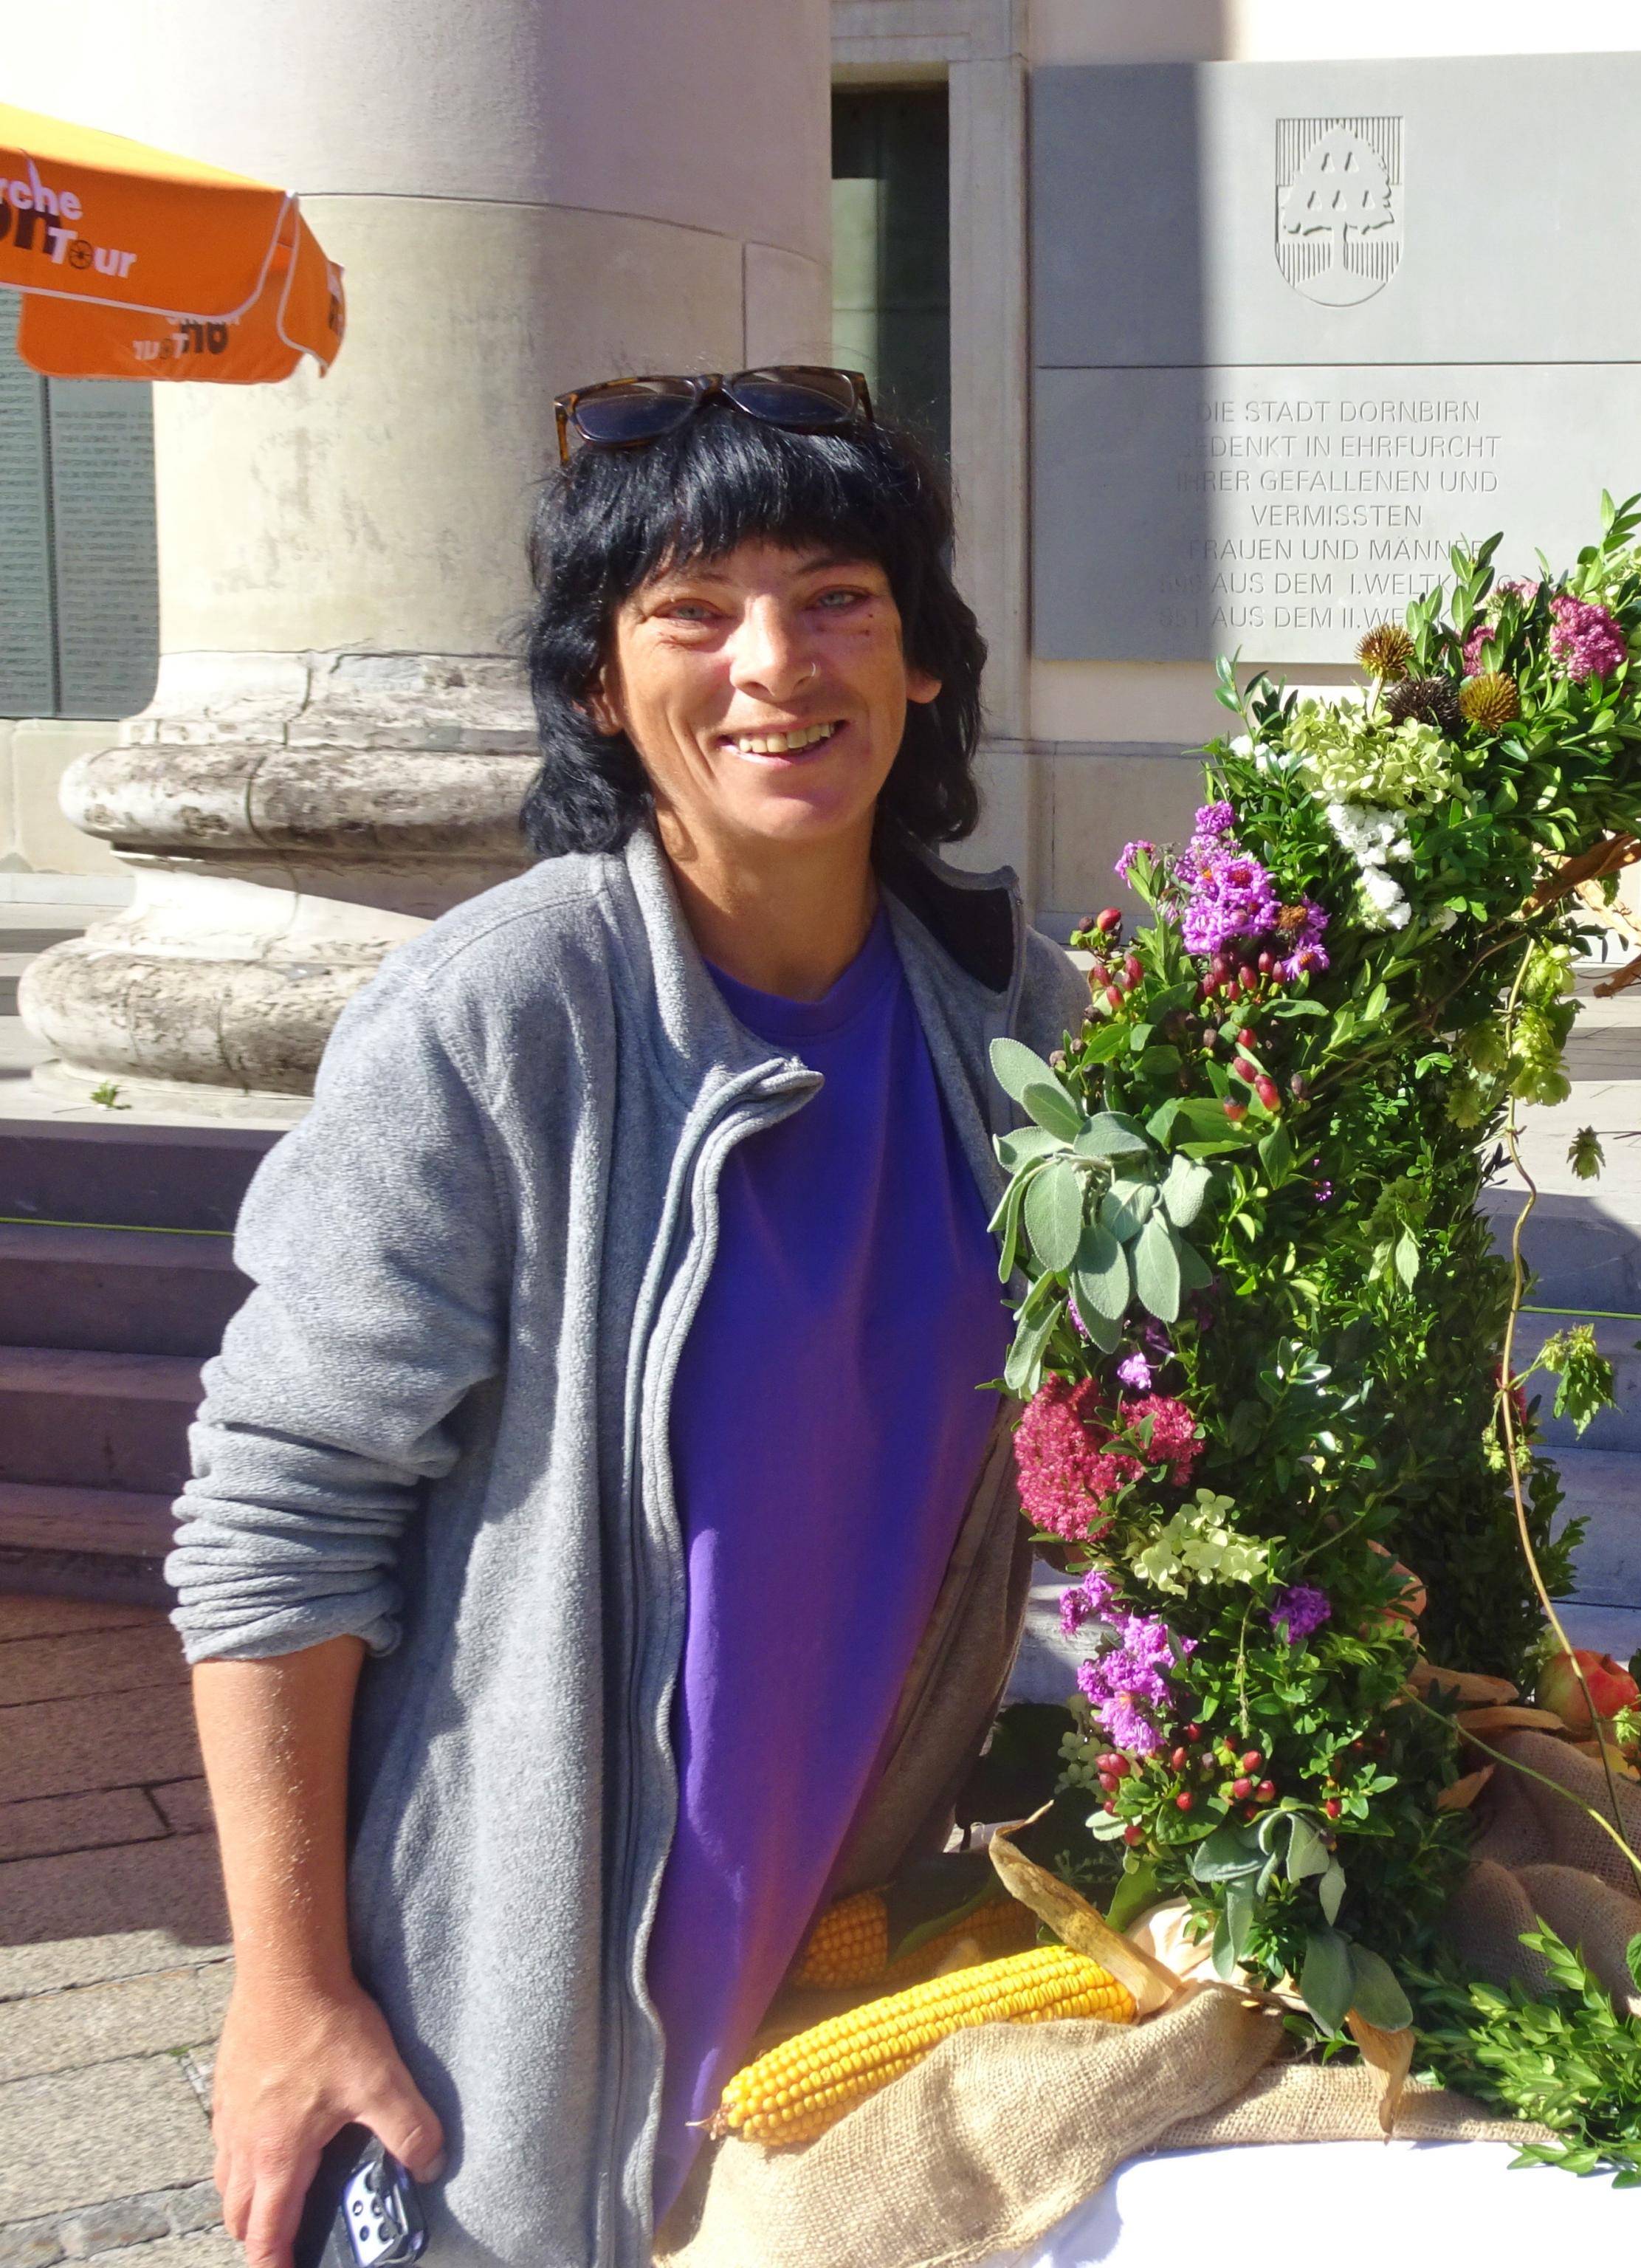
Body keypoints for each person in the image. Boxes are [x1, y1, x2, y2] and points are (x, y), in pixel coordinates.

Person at [165, 368, 1085, 2268]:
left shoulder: (1024, 1032)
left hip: (850, 2000)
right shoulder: (502, 1018)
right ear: (599, 682)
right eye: (691, 610)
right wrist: (289, 1991)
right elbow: (278, 1513)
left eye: (836, 599)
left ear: (921, 660)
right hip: (514, 2049)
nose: (773, 663)